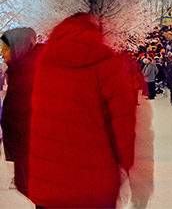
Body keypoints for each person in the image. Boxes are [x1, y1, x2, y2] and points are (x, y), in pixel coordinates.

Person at [28, 12, 139, 208]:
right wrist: (129, 167)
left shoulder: (44, 62)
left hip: (47, 183)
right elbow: (123, 121)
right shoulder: (105, 62)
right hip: (93, 185)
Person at [0, 27, 43, 198]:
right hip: (27, 154)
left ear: (18, 48)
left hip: (36, 155)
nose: (2, 55)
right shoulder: (20, 70)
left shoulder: (31, 73)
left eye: (5, 50)